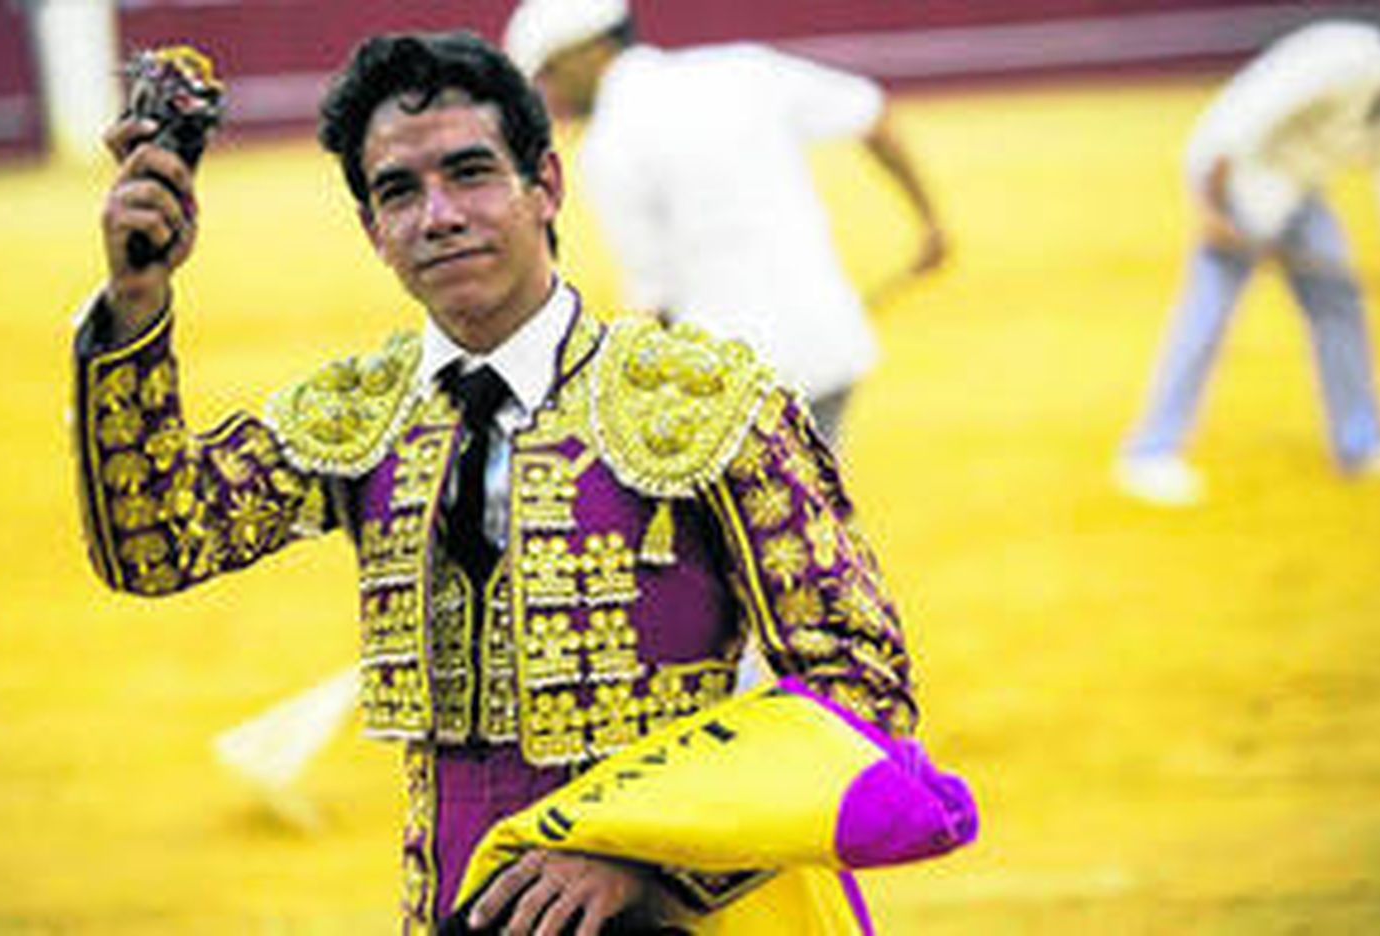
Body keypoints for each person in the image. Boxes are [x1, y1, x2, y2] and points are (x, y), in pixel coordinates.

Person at [72, 30, 974, 934]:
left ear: (545, 185)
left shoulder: (708, 404)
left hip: (681, 915)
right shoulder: (361, 416)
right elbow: (154, 542)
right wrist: (138, 303)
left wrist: (638, 850)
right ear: (371, 231)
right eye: (399, 191)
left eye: (470, 173)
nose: (440, 215)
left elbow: (859, 686)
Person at [503, 0, 948, 448]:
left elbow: (657, 301)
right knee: (813, 502)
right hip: (830, 343)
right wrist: (930, 225)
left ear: (590, 50)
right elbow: (871, 114)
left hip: (732, 387)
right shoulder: (741, 70)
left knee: (754, 515)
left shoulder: (609, 146)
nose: (549, 95)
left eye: (551, 73)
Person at [1116, 0, 1380, 507]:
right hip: (1238, 184)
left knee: (1339, 305)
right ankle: (1150, 453)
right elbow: (1243, 117)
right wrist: (1210, 208)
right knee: (1207, 315)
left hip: (1300, 192)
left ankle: (1361, 444)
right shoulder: (1347, 57)